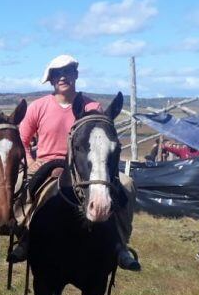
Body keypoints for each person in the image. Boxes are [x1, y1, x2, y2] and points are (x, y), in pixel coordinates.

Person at [9, 54, 141, 271]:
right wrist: (31, 162)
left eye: (67, 72)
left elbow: (100, 139)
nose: (62, 77)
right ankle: (25, 238)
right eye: (57, 74)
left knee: (126, 184)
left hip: (85, 168)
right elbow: (22, 139)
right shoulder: (38, 107)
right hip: (46, 163)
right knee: (21, 186)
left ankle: (121, 244)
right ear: (51, 80)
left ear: (76, 75)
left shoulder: (92, 106)